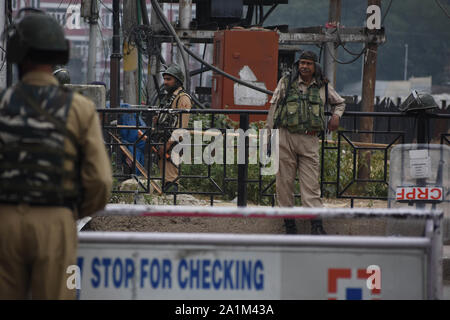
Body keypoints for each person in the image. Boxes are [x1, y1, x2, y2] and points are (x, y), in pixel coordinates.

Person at [0, 10, 112, 299]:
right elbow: (100, 181)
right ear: (59, 53)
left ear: (17, 54)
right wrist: (71, 213)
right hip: (55, 221)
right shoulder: (79, 109)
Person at [266, 50, 346, 235]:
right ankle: (289, 225)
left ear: (315, 66)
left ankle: (316, 226)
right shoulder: (286, 82)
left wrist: (336, 116)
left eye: (308, 64)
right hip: (285, 138)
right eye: (301, 63)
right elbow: (273, 108)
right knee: (284, 184)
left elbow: (340, 103)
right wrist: (268, 138)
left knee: (311, 185)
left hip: (309, 140)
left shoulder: (322, 86)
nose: (304, 66)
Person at [154, 63, 192, 192]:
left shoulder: (183, 98)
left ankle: (173, 207)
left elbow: (182, 126)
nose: (165, 82)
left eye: (169, 79)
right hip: (164, 141)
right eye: (164, 79)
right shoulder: (169, 98)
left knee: (171, 178)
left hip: (173, 144)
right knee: (165, 177)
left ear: (177, 81)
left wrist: (168, 144)